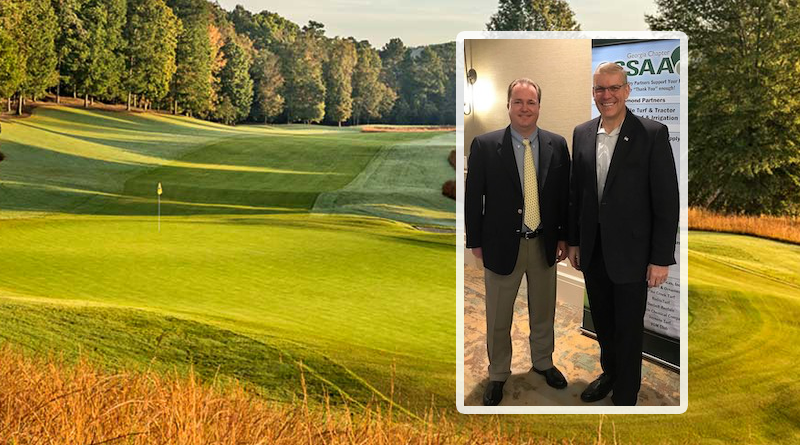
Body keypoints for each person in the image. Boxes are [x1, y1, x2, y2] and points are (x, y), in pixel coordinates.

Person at [567, 62, 679, 406]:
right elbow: (577, 194)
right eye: (600, 89)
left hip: (632, 254)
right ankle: (610, 373)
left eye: (614, 88)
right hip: (593, 250)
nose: (607, 95)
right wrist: (573, 240)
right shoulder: (582, 133)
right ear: (594, 93)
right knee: (602, 321)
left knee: (629, 328)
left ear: (627, 91)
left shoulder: (652, 133)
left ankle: (627, 391)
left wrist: (660, 258)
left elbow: (666, 201)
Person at [465, 78, 571, 406]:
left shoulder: (557, 144)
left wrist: (565, 236)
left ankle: (543, 362)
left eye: (531, 102)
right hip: (500, 244)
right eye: (519, 102)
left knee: (544, 310)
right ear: (508, 105)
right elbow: (473, 199)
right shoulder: (484, 145)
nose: (525, 109)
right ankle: (498, 373)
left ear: (539, 106)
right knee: (498, 314)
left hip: (543, 243)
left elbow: (564, 197)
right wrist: (475, 241)